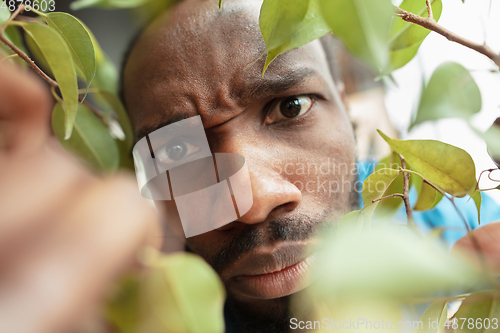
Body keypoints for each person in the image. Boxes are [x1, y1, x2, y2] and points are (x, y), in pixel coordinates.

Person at [0, 0, 498, 332]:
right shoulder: (135, 306)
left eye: (291, 108)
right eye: (177, 152)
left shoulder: (454, 217)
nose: (255, 200)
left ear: (345, 103)